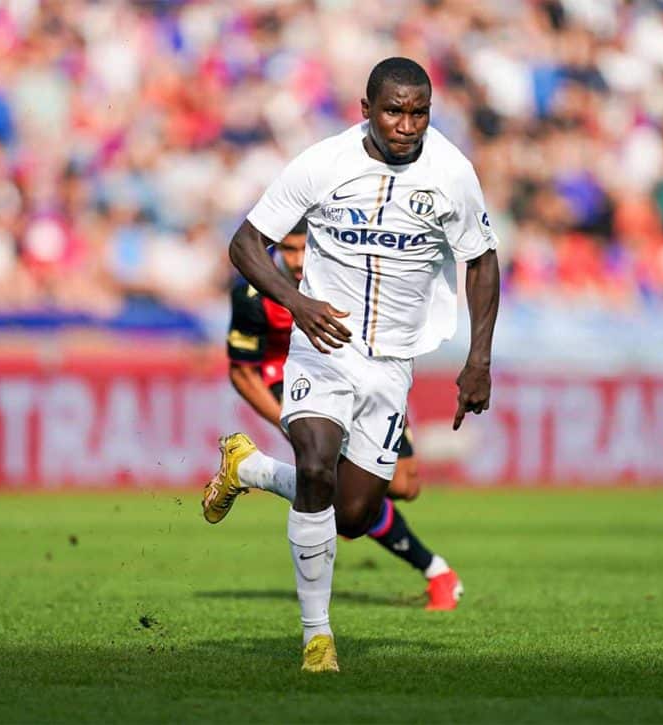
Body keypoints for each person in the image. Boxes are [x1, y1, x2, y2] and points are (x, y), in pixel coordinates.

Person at [203, 57, 500, 672]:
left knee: (354, 513)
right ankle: (318, 638)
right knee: (315, 466)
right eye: (394, 110)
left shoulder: (452, 173)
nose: (407, 124)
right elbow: (244, 243)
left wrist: (479, 359)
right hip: (325, 347)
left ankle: (250, 469)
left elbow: (482, 259)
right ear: (365, 110)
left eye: (419, 112)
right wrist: (298, 302)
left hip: (394, 362)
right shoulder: (322, 164)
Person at [220, 216, 462, 610]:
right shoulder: (254, 294)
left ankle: (252, 469)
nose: (298, 260)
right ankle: (437, 572)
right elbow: (241, 371)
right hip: (301, 386)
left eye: (305, 248)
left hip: (364, 379)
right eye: (288, 249)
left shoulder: (349, 274)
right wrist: (293, 418)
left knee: (404, 486)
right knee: (339, 490)